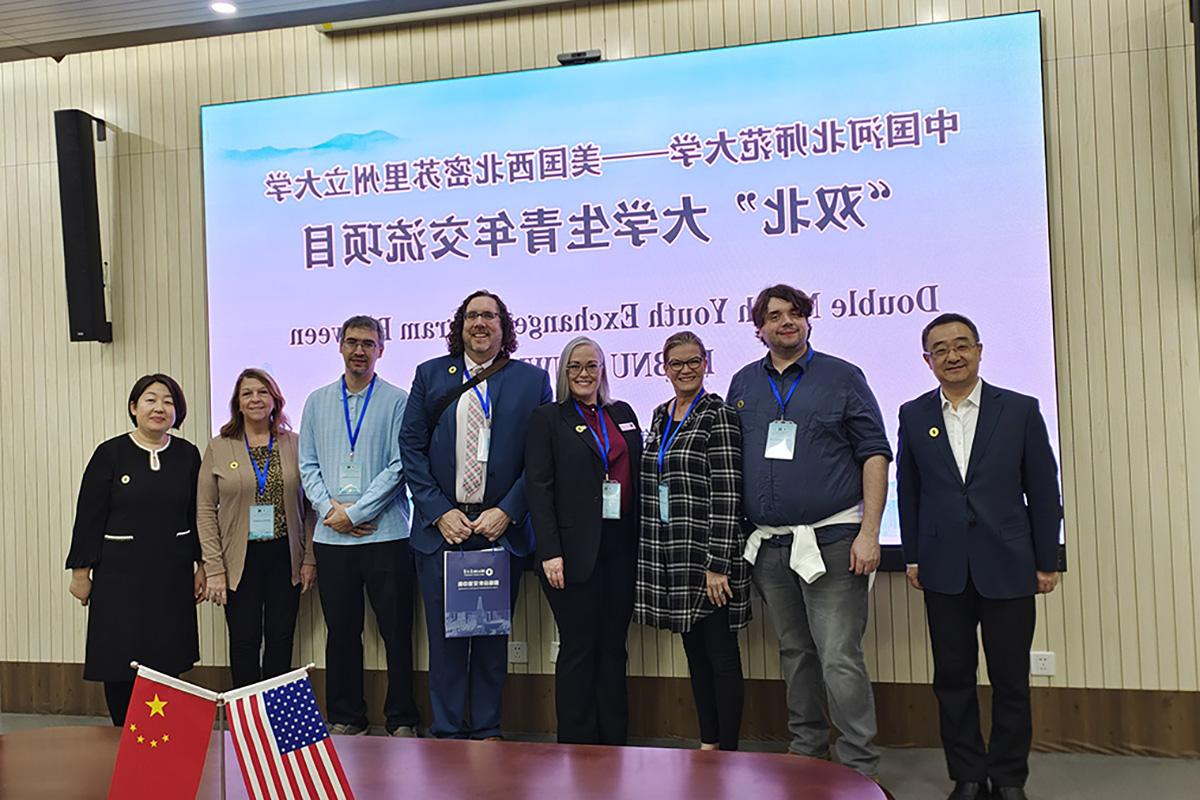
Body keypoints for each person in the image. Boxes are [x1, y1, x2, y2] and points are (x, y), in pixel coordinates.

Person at [727, 284, 891, 778]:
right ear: (760, 328)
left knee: (839, 654)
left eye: (795, 313)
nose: (786, 322)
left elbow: (875, 454)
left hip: (833, 541)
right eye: (774, 316)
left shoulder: (842, 377)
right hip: (770, 545)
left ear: (808, 321)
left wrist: (870, 531)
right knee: (796, 652)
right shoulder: (742, 384)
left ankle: (859, 765)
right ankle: (808, 751)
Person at [897, 313, 1061, 800]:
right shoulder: (914, 414)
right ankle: (967, 775)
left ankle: (1009, 778)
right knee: (952, 677)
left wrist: (1047, 559)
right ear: (928, 360)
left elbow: (1043, 490)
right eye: (940, 349)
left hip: (1009, 563)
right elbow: (910, 491)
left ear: (980, 350)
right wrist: (912, 556)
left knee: (1010, 679)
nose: (952, 356)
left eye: (961, 345)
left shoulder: (1020, 410)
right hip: (943, 568)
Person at [399, 289, 552, 740]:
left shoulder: (531, 380)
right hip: (442, 532)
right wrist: (438, 511)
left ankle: (487, 729)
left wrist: (508, 510)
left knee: (489, 638)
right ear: (459, 325)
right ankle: (446, 731)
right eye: (471, 316)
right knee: (445, 641)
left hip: (498, 531)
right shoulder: (430, 375)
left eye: (489, 316)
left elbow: (540, 458)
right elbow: (411, 446)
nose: (480, 323)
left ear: (504, 327)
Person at [298, 314, 419, 736]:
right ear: (340, 346)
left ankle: (402, 717)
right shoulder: (315, 401)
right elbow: (308, 464)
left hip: (386, 535)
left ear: (381, 350)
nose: (359, 351)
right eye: (352, 342)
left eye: (369, 343)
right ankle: (348, 715)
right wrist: (333, 512)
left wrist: (356, 513)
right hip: (332, 539)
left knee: (396, 631)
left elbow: (399, 466)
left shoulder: (398, 401)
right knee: (341, 632)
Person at [66, 373, 205, 726]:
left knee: (167, 653)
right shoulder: (110, 453)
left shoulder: (188, 455)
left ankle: (158, 736)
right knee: (120, 656)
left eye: (168, 401)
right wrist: (81, 573)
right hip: (119, 576)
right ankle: (122, 733)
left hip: (171, 574)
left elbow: (199, 514)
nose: (160, 407)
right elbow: (89, 516)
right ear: (133, 407)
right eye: (150, 399)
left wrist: (203, 564)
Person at [635, 330, 748, 751]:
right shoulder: (660, 416)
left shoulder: (717, 415)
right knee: (695, 656)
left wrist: (718, 563)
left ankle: (730, 749)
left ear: (706, 364)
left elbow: (728, 491)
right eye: (676, 363)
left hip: (707, 556)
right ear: (664, 369)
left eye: (693, 362)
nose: (685, 370)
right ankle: (709, 743)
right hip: (671, 554)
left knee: (720, 655)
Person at [525, 336, 641, 745]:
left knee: (613, 648)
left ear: (603, 370)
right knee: (579, 647)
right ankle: (577, 744)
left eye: (592, 365)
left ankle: (614, 741)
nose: (584, 374)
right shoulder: (548, 418)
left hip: (621, 549)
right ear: (563, 372)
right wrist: (550, 551)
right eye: (575, 366)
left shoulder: (623, 414)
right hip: (571, 554)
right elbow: (538, 489)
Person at [197, 368, 316, 689]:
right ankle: (246, 717)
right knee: (245, 640)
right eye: (247, 393)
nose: (255, 399)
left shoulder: (294, 443)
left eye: (263, 392)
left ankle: (273, 717)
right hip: (239, 558)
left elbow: (310, 506)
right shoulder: (220, 447)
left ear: (275, 400)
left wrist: (309, 558)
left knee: (281, 638)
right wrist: (214, 568)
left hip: (284, 554)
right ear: (237, 402)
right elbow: (205, 510)